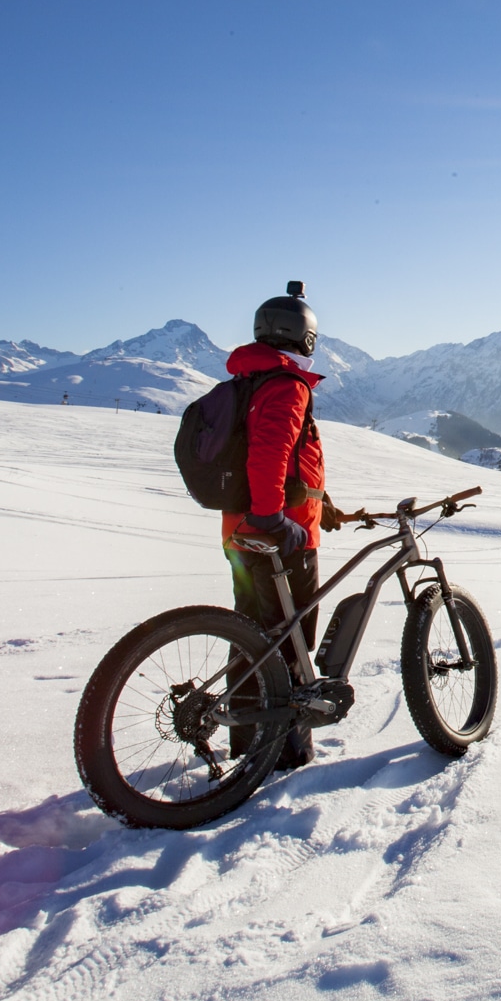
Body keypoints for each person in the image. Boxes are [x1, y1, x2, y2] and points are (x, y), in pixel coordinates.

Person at [222, 281, 350, 769]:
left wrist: (324, 505)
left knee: (252, 634)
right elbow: (270, 453)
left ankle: (246, 736)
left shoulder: (247, 382)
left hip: (240, 532)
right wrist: (275, 519)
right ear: (306, 338)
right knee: (289, 640)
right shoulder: (286, 384)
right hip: (279, 536)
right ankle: (285, 753)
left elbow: (295, 460)